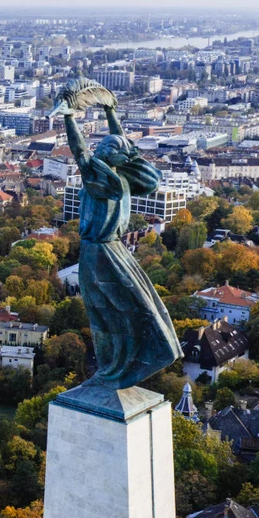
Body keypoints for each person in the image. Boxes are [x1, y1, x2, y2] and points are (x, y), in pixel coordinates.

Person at [50, 80, 180, 389]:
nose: (97, 153)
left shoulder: (102, 178)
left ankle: (111, 370)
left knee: (102, 311)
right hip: (117, 251)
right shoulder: (125, 179)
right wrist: (110, 111)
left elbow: (80, 148)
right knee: (127, 306)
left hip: (98, 253)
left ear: (105, 156)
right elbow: (123, 144)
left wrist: (69, 116)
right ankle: (119, 366)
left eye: (103, 150)